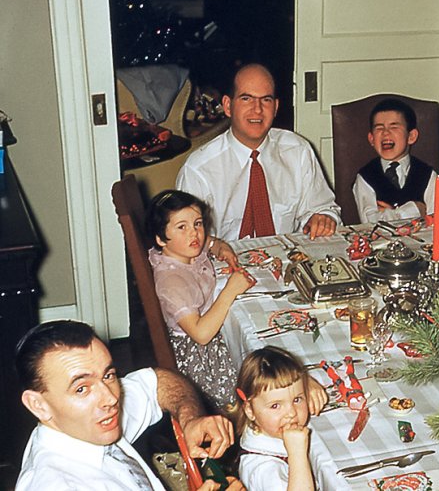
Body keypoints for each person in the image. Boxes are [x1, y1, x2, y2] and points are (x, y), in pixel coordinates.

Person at [15, 320, 243, 490]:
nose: (111, 399)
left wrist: (190, 418)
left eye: (108, 375)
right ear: (38, 405)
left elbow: (160, 381)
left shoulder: (85, 424)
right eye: (81, 388)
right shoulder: (55, 484)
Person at [177, 63, 340, 241]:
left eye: (266, 100)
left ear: (276, 107)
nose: (258, 109)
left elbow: (322, 208)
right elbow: (185, 242)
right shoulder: (198, 169)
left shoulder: (298, 150)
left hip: (286, 259)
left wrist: (323, 218)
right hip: (222, 263)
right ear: (228, 106)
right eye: (246, 98)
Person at [146, 189, 255, 409]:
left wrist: (219, 247)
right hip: (200, 357)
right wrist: (230, 291)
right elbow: (201, 335)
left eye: (197, 223)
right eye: (182, 227)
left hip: (207, 334)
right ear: (160, 239)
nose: (194, 234)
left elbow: (208, 242)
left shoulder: (183, 250)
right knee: (256, 371)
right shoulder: (172, 281)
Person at [232, 346, 350, 491]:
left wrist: (306, 382)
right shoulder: (266, 470)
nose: (292, 413)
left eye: (297, 400)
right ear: (250, 410)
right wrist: (297, 452)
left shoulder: (260, 425)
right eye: (275, 406)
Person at [352, 98, 439, 224]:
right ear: (371, 139)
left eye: (394, 127)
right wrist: (415, 209)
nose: (385, 133)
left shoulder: (428, 175)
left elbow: (437, 222)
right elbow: (371, 223)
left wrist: (389, 214)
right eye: (379, 128)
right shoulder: (365, 177)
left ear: (411, 136)